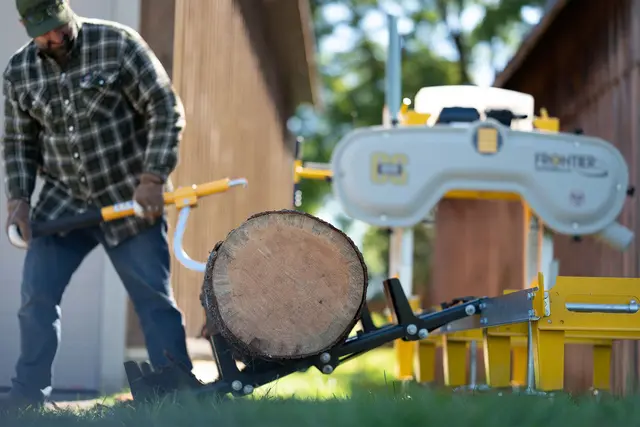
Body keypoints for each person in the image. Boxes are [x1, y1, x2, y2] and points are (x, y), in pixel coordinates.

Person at [1, 0, 193, 410]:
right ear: (25, 25)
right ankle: (27, 399)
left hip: (129, 199)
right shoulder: (18, 72)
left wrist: (153, 178)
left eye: (59, 25)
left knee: (153, 299)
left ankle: (178, 392)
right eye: (44, 31)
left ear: (66, 10)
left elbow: (164, 108)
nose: (55, 37)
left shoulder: (118, 43)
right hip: (62, 205)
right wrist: (17, 200)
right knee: (36, 298)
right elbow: (18, 143)